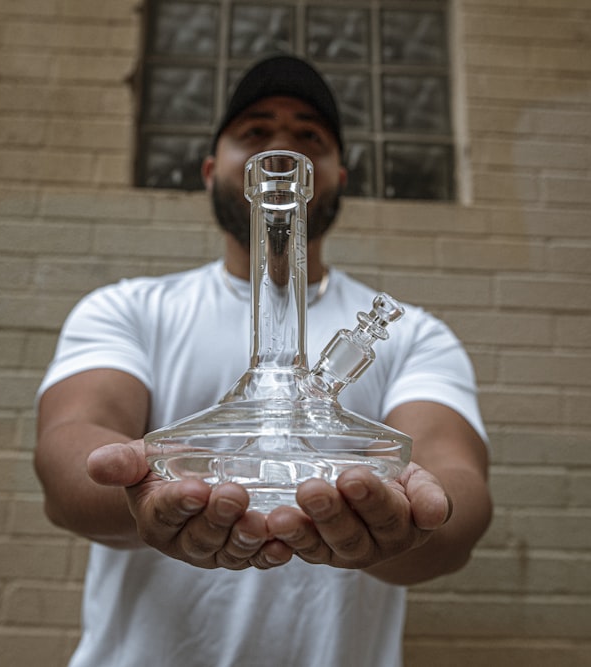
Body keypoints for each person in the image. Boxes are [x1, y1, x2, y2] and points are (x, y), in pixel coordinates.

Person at [34, 55, 492, 667]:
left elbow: (457, 486)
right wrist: (139, 489)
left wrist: (409, 524)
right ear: (210, 168)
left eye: (310, 136)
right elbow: (66, 451)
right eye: (253, 133)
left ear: (339, 175)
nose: (280, 145)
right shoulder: (130, 308)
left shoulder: (418, 334)